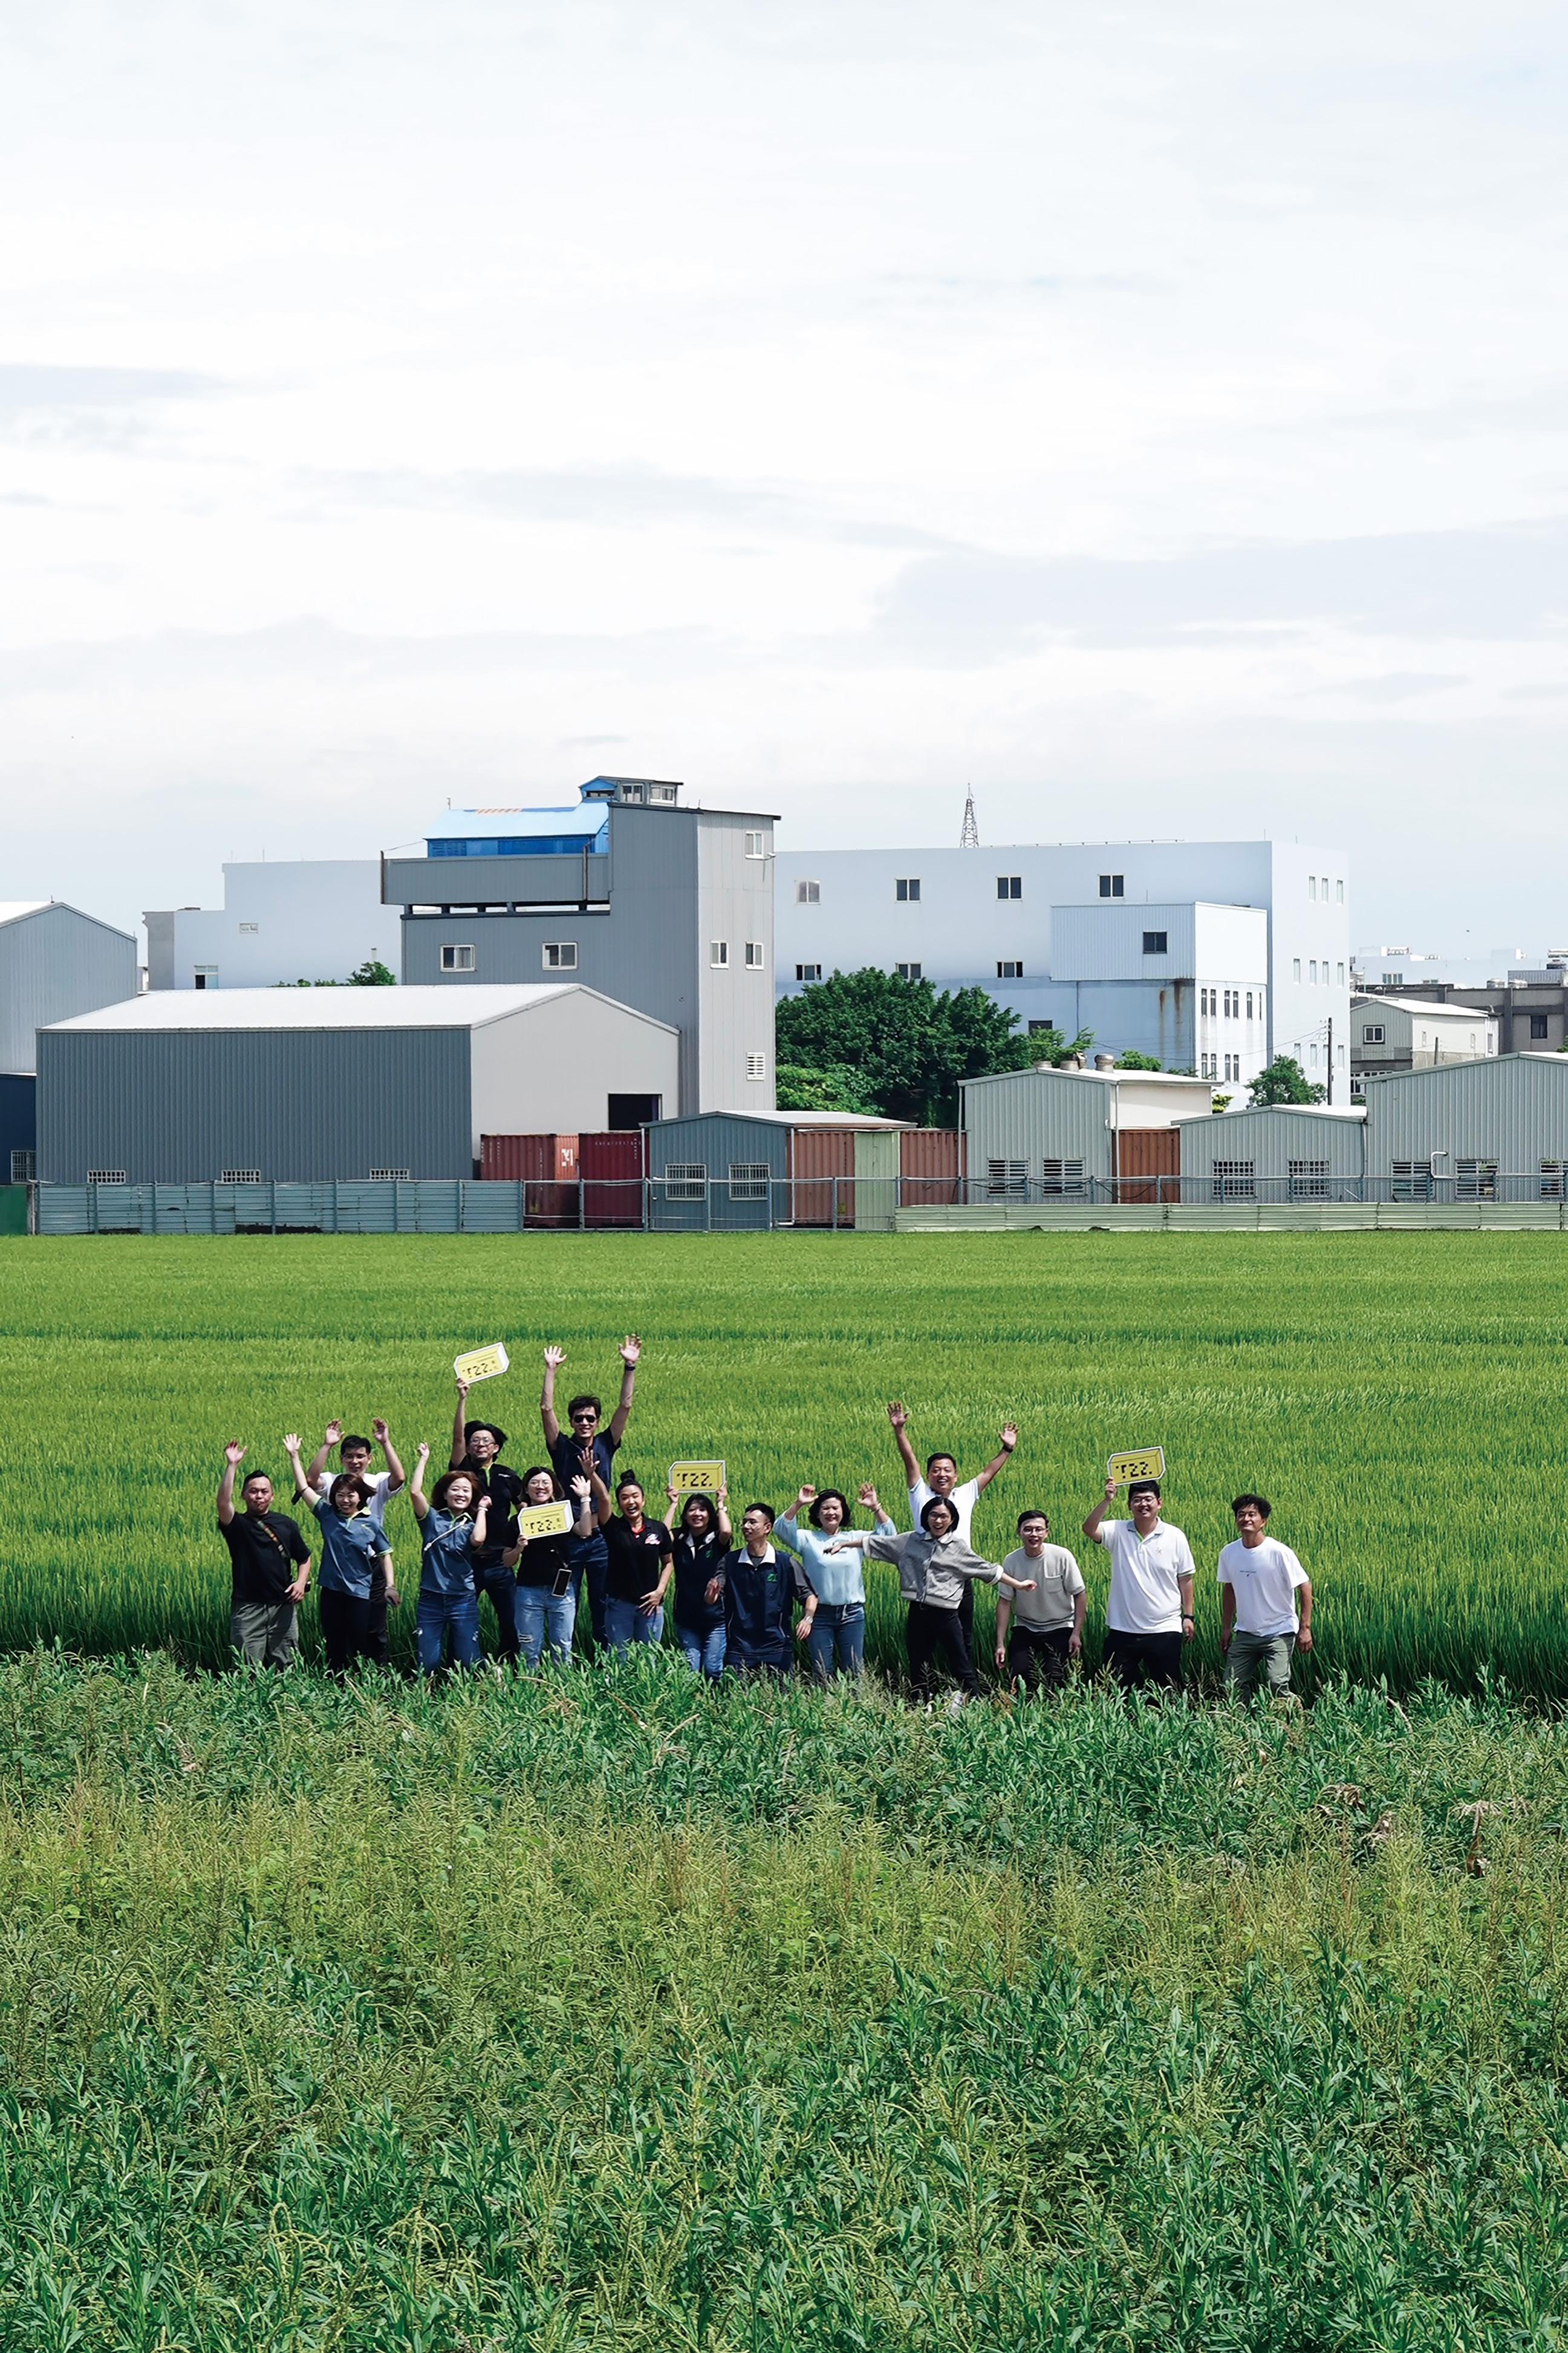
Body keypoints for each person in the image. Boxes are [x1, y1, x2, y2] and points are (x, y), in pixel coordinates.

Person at [833, 1495, 1035, 1706]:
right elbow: (876, 1543)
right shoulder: (910, 1541)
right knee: (918, 1662)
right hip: (918, 1612)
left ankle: (975, 1703)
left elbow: (988, 1569)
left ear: (952, 1520)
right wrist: (846, 1544)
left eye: (944, 1517)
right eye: (934, 1515)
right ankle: (920, 1704)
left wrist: (1019, 1585)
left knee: (960, 1662)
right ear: (926, 1518)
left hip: (946, 1615)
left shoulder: (957, 1547)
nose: (938, 1521)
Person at [887, 1401, 1018, 1672]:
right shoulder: (920, 1494)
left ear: (956, 1476)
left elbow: (989, 1472)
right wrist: (900, 1431)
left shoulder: (965, 1494)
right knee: (921, 1643)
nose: (942, 1474)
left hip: (959, 1576)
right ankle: (923, 1690)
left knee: (962, 1638)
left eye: (947, 1470)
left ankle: (962, 1690)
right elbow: (910, 1462)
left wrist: (1006, 1449)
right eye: (936, 1470)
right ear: (928, 1475)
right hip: (925, 1579)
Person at [541, 1336, 642, 1647]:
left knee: (602, 1600)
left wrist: (630, 1366)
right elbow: (546, 1408)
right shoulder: (562, 1447)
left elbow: (625, 1406)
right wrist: (551, 1370)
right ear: (572, 1421)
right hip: (569, 1534)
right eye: (579, 1418)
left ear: (597, 1422)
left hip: (601, 1537)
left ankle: (605, 1656)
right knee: (565, 1600)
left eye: (590, 1418)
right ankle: (564, 1659)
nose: (584, 1422)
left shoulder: (606, 1443)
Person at [284, 1433, 392, 1675]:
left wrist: (391, 1585)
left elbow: (385, 1554)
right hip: (332, 1589)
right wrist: (294, 1456)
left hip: (360, 1590)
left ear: (360, 1497)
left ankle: (367, 1682)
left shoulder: (371, 1522)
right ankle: (337, 1683)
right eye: (340, 1495)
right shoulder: (327, 1515)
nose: (345, 1500)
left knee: (361, 1639)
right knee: (334, 1640)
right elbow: (304, 1487)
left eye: (350, 1495)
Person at [1082, 1475, 1196, 1695]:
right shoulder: (1117, 1531)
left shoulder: (1175, 1536)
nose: (1143, 1504)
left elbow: (1185, 1579)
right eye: (1137, 1500)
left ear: (1159, 1503)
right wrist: (1107, 1500)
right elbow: (1089, 1528)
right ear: (1129, 1505)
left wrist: (1188, 1616)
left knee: (1167, 1691)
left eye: (1148, 1499)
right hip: (1123, 1628)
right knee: (1117, 1691)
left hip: (1165, 1628)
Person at [308, 1418, 407, 1666]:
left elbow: (399, 1477)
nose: (355, 1461)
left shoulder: (377, 1482)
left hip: (371, 1565)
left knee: (374, 1627)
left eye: (361, 1456)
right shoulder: (334, 1482)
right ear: (342, 1459)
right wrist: (327, 1445)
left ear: (369, 1459)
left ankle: (378, 1674)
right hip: (341, 1566)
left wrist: (385, 1442)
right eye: (349, 1456)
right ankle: (340, 1675)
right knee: (338, 1628)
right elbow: (311, 1481)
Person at [773, 1481, 894, 1682]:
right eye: (825, 1508)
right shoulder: (808, 1539)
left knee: (854, 1670)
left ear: (843, 1512)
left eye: (835, 1508)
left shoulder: (855, 1538)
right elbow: (781, 1529)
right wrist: (799, 1503)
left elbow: (888, 1539)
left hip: (852, 1614)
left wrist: (876, 1508)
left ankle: (856, 1702)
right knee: (822, 1670)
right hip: (819, 1615)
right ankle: (825, 1702)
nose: (831, 1512)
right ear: (817, 1514)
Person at [450, 1376, 527, 1665]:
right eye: (475, 1441)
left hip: (499, 1562)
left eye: (486, 1441)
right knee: (461, 1619)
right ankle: (460, 1669)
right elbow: (457, 1438)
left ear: (496, 1447)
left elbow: (525, 1507)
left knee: (511, 1619)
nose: (480, 1444)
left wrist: (519, 1539)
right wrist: (463, 1399)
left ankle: (511, 1668)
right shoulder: (462, 1472)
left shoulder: (507, 1475)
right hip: (467, 1560)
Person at [217, 1440, 311, 1669]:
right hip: (248, 1607)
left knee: (287, 1666)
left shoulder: (286, 1525)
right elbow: (223, 1503)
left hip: (283, 1606)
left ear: (272, 1496)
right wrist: (232, 1465)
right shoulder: (238, 1525)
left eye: (264, 1492)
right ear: (244, 1496)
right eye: (253, 1491)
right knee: (246, 1668)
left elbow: (304, 1557)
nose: (259, 1496)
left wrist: (300, 1583)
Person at [1218, 1493, 1313, 1699]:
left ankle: (1291, 1717)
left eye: (1252, 1514)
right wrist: (1226, 1628)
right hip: (1246, 1632)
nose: (1246, 1519)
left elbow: (1305, 1586)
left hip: (1279, 1631)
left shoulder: (1279, 1552)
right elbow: (1229, 1589)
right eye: (1241, 1514)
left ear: (1264, 1521)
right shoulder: (1229, 1553)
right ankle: (1240, 1717)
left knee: (1277, 1683)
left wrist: (1305, 1628)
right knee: (1231, 1685)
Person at [409, 1443, 492, 1676]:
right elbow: (415, 1493)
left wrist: (482, 1510)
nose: (460, 1494)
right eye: (455, 1489)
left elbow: (478, 1540)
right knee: (429, 1662)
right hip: (431, 1598)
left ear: (472, 1497)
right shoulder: (432, 1520)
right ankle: (426, 1692)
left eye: (466, 1491)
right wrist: (423, 1459)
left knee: (469, 1660)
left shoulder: (471, 1525)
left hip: (462, 1599)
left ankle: (489, 1675)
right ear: (445, 1495)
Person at [704, 1503, 801, 1680]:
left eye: (752, 1522)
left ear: (767, 1528)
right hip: (740, 1647)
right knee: (738, 1695)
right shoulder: (730, 1561)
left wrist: (808, 1618)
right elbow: (712, 1597)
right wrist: (711, 1594)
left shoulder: (785, 1562)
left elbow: (807, 1595)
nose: (745, 1527)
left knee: (781, 1694)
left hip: (777, 1646)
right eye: (744, 1522)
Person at [994, 1510, 1085, 1695]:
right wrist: (1000, 1643)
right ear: (1019, 1532)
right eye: (1028, 1529)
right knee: (1020, 1676)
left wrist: (1076, 1633)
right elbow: (1004, 1602)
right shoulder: (1012, 1560)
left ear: (1046, 1533)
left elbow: (1080, 1594)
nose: (1033, 1534)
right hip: (1026, 1626)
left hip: (1060, 1626)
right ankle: (1023, 1709)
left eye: (1038, 1530)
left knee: (1056, 1678)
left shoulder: (1062, 1556)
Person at [511, 1466, 594, 1668]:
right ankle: (529, 1685)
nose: (540, 1487)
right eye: (534, 1483)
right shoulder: (519, 1520)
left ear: (554, 1488)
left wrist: (585, 1499)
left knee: (563, 1647)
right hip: (529, 1591)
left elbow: (585, 1531)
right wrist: (518, 1548)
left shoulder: (563, 1513)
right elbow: (508, 1561)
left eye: (545, 1483)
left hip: (562, 1589)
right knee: (529, 1648)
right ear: (526, 1488)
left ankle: (562, 1686)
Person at [594, 1470, 672, 1652]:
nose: (631, 1501)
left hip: (651, 1605)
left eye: (635, 1496)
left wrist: (660, 1591)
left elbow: (668, 1562)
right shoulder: (613, 1527)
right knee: (620, 1657)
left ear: (643, 1500)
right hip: (620, 1605)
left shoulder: (658, 1528)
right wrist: (591, 1475)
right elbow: (603, 1497)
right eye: (624, 1498)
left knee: (649, 1658)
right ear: (619, 1504)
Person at [666, 1486, 732, 1679]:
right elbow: (662, 1534)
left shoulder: (716, 1540)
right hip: (686, 1617)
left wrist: (721, 1503)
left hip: (715, 1617)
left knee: (712, 1668)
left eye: (702, 1510)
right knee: (691, 1669)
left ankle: (715, 1697)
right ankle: (693, 1698)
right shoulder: (679, 1539)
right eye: (692, 1510)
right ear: (685, 1515)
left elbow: (727, 1531)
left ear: (710, 1515)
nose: (697, 1514)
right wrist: (674, 1504)